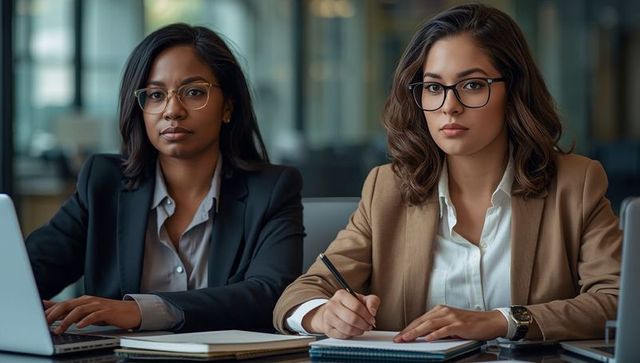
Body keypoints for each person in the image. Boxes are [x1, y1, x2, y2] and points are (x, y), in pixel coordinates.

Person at [273, 3, 621, 342]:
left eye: (472, 85)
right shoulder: (387, 188)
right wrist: (322, 314)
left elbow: (617, 300)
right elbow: (299, 296)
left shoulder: (575, 182)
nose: (449, 106)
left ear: (514, 90)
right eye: (434, 87)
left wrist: (501, 321)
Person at [26, 23, 304, 334]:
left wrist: (139, 311)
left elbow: (271, 294)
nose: (172, 110)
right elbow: (27, 275)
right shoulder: (103, 183)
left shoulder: (273, 189)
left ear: (228, 106)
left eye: (194, 92)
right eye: (156, 95)